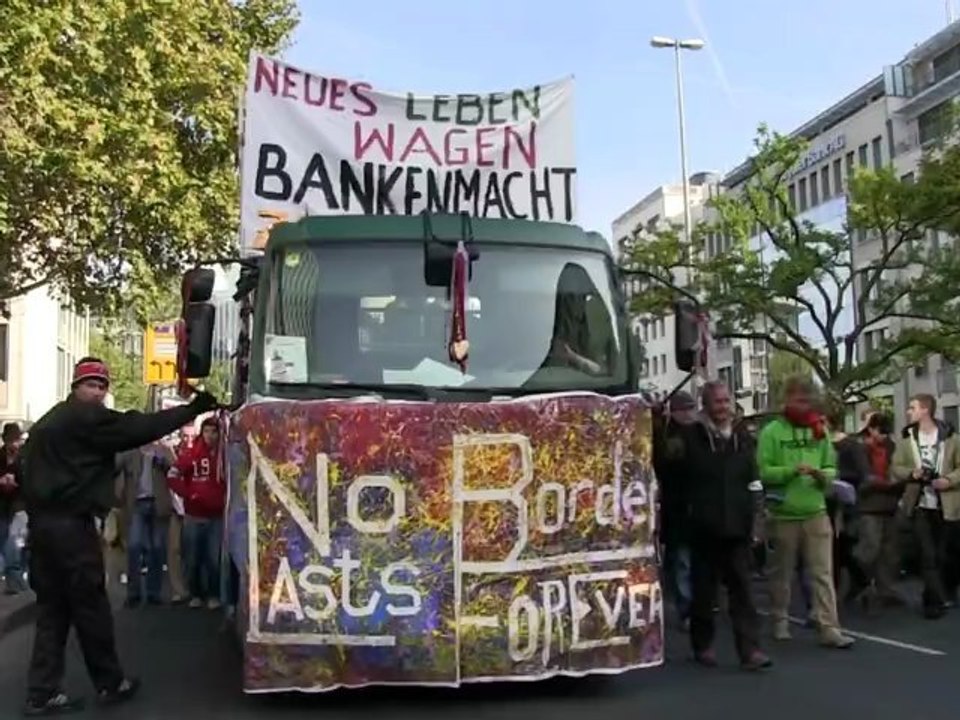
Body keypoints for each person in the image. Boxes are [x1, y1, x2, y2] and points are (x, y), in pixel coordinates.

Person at [19, 357, 218, 714]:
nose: (97, 392)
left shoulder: (47, 423)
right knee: (90, 606)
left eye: (101, 385)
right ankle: (110, 683)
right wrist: (192, 410)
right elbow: (138, 428)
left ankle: (42, 691)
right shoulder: (86, 418)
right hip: (70, 527)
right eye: (92, 385)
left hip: (43, 528)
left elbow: (22, 473)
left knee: (53, 611)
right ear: (77, 387)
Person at [757, 376, 854, 649]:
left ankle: (829, 627)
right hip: (783, 514)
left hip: (816, 512)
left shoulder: (818, 430)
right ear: (786, 400)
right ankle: (780, 620)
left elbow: (832, 468)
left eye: (808, 400)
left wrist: (822, 475)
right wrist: (790, 471)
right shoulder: (771, 432)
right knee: (781, 574)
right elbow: (764, 472)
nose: (804, 405)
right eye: (799, 400)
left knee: (823, 573)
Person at [679, 382, 771, 671]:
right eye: (716, 402)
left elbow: (754, 481)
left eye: (725, 401)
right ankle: (703, 644)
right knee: (704, 593)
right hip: (703, 528)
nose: (722, 407)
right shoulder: (692, 437)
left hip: (737, 527)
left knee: (743, 591)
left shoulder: (742, 437)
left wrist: (757, 519)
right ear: (705, 405)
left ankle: (750, 651)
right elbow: (673, 471)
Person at [891, 394, 960, 619]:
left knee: (943, 555)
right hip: (919, 503)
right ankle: (932, 601)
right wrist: (913, 473)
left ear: (925, 410)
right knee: (928, 554)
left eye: (912, 408)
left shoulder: (951, 438)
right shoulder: (907, 440)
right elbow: (896, 467)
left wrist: (949, 480)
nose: (909, 412)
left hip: (945, 504)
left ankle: (942, 592)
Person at [168, 416, 226, 610]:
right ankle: (195, 594)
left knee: (214, 559)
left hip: (217, 516)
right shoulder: (191, 455)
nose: (211, 435)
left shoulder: (223, 457)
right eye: (207, 431)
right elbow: (173, 475)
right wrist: (188, 494)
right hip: (194, 515)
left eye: (214, 431)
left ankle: (213, 595)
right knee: (192, 557)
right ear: (202, 432)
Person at [652, 391, 697, 631]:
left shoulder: (701, 433)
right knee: (681, 561)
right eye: (684, 409)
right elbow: (660, 458)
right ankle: (686, 608)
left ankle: (691, 605)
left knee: (687, 562)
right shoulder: (667, 434)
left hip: (697, 507)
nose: (689, 413)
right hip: (677, 508)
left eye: (691, 408)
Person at [854, 412, 904, 609]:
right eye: (880, 432)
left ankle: (886, 590)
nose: (884, 436)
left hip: (890, 504)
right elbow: (863, 476)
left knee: (889, 552)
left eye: (886, 432)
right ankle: (863, 584)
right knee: (869, 550)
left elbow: (898, 469)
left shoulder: (892, 446)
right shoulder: (862, 449)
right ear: (872, 430)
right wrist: (880, 483)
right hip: (869, 505)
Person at [116, 440, 175, 607]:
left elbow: (174, 465)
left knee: (157, 548)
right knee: (134, 547)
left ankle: (153, 593)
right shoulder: (130, 451)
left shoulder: (162, 449)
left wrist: (161, 457)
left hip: (158, 503)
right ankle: (133, 593)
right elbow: (115, 466)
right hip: (136, 504)